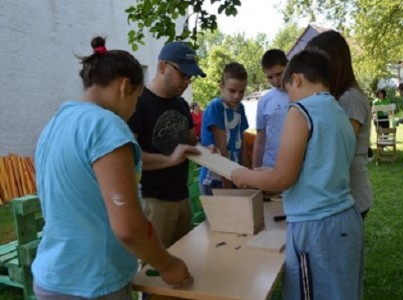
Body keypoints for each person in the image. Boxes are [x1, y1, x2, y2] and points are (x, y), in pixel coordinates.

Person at [32, 37, 192, 299]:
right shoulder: (107, 126)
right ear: (125, 86)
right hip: (94, 281)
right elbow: (129, 228)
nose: (133, 111)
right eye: (137, 98)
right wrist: (169, 264)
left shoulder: (56, 123)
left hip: (52, 277)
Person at [231, 50, 363, 300]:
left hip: (316, 227)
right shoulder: (338, 111)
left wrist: (244, 175)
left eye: (288, 87)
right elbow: (318, 166)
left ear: (298, 79)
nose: (288, 95)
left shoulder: (301, 110)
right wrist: (267, 171)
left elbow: (282, 179)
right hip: (345, 220)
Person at [128, 41, 204, 248]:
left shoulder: (181, 104)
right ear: (162, 67)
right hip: (154, 201)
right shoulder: (138, 103)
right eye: (183, 74)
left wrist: (207, 153)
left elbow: (190, 144)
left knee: (184, 258)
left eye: (190, 76)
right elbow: (131, 157)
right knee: (154, 270)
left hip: (183, 196)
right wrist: (170, 160)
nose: (187, 81)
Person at [306, 30, 373, 220]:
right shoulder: (337, 97)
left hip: (351, 199)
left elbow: (338, 151)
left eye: (316, 61)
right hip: (339, 198)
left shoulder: (350, 98)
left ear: (332, 62)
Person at [199, 62, 250, 195]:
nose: (237, 96)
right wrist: (229, 189)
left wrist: (247, 176)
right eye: (232, 91)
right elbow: (222, 149)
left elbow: (242, 143)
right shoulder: (216, 107)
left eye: (241, 92)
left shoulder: (240, 108)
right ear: (222, 87)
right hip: (216, 179)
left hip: (234, 176)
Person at [252, 49, 290, 169]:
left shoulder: (303, 94)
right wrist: (255, 172)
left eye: (279, 74)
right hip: (270, 168)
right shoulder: (264, 101)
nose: (275, 80)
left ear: (288, 66)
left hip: (299, 170)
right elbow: (260, 140)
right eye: (270, 77)